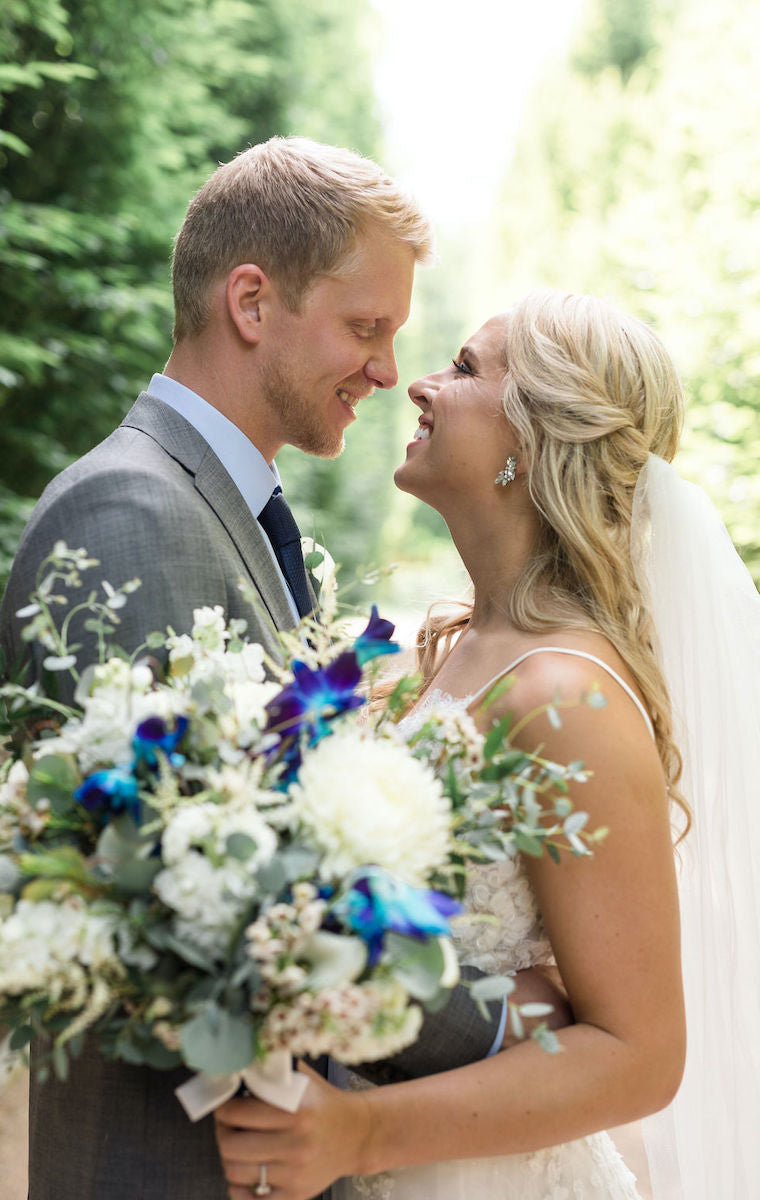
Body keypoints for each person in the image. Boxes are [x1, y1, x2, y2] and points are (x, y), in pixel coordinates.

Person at [0, 140, 568, 1200]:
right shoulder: (131, 514)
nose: (390, 372)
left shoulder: (237, 514)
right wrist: (496, 1015)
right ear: (250, 301)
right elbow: (217, 886)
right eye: (365, 329)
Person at [211, 290, 706, 1199]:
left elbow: (641, 1057)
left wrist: (358, 1134)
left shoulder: (569, 698)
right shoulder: (435, 658)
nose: (420, 385)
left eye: (465, 368)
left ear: (537, 438)